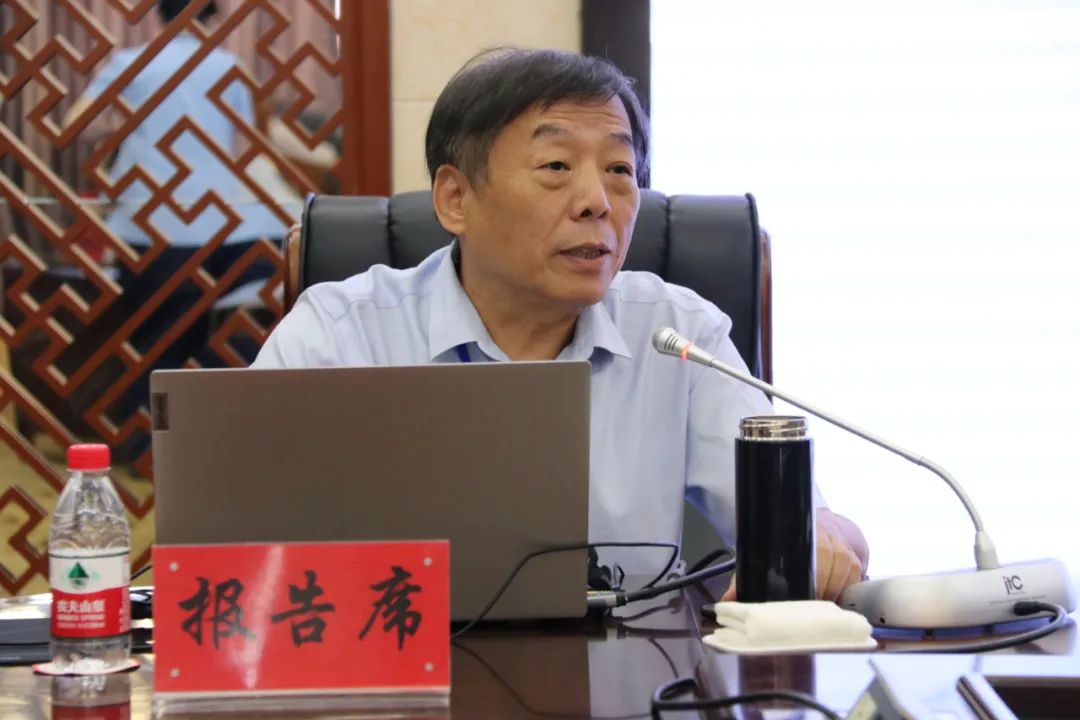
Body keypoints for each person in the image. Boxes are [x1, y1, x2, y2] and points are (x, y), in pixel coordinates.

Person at [251, 48, 869, 601]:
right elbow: (235, 543)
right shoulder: (340, 332)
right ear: (455, 199)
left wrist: (823, 537)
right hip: (405, 670)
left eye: (620, 170)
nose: (597, 200)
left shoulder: (678, 334)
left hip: (640, 671)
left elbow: (801, 527)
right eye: (555, 166)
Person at [61, 0, 292, 458]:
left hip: (151, 226)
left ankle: (147, 450)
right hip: (230, 227)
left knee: (151, 345)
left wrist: (127, 129)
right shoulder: (229, 67)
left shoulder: (130, 64)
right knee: (232, 327)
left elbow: (74, 127)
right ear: (213, 17)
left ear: (158, 15)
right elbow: (250, 142)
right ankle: (211, 434)